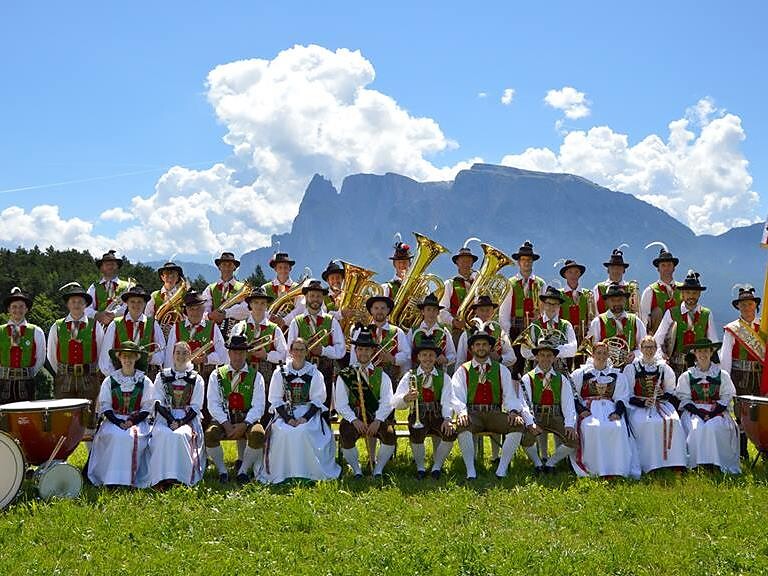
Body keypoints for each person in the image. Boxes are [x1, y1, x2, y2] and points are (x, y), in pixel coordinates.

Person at [451, 326, 536, 479]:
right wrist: (462, 412)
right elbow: (456, 395)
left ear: (490, 347)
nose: (481, 348)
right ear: (471, 348)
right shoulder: (463, 370)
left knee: (518, 424)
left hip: (494, 412)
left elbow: (510, 396)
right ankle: (471, 471)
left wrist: (513, 411)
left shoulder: (501, 370)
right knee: (462, 424)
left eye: (484, 345)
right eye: (477, 345)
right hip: (473, 413)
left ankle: (501, 469)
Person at [260, 338, 341, 484]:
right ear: (290, 352)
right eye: (295, 349)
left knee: (304, 431)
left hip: (308, 412)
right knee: (284, 431)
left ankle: (308, 473)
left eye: (301, 349)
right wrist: (288, 419)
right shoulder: (280, 372)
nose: (298, 353)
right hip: (286, 413)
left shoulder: (314, 372)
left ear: (306, 352)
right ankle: (283, 473)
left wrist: (304, 418)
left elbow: (318, 400)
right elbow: (275, 399)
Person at [87, 341, 155, 487]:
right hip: (114, 420)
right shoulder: (110, 380)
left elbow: (147, 407)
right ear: (119, 358)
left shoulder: (145, 381)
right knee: (114, 435)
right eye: (124, 356)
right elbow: (105, 406)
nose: (127, 360)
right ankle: (110, 478)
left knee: (129, 436)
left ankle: (128, 479)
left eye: (131, 356)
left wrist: (131, 422)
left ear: (137, 358)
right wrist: (118, 422)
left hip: (137, 421)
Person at [393, 335, 460, 479]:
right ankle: (420, 468)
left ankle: (437, 467)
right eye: (424, 355)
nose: (428, 358)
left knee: (450, 434)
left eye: (431, 355)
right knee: (416, 433)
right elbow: (396, 402)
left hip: (437, 414)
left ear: (436, 358)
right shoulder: (409, 376)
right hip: (418, 414)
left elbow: (448, 400)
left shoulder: (444, 377)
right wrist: (405, 398)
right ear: (418, 357)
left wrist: (448, 418)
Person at [570, 341, 639, 478]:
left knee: (617, 428)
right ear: (592, 354)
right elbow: (572, 395)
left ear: (608, 355)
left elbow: (621, 397)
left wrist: (618, 412)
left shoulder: (617, 375)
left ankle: (615, 468)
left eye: (604, 353)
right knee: (592, 428)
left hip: (609, 408)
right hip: (588, 409)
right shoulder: (580, 374)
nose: (601, 356)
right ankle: (594, 468)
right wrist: (581, 409)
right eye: (598, 353)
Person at [334, 327, 397, 478]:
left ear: (372, 351)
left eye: (367, 350)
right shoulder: (346, 374)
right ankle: (357, 470)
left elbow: (388, 402)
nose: (364, 353)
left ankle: (378, 469)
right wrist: (354, 420)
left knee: (389, 435)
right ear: (356, 351)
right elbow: (340, 404)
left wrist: (378, 420)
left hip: (375, 417)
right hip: (355, 418)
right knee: (346, 434)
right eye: (360, 349)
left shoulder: (382, 375)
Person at [205, 335, 266, 483]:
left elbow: (259, 406)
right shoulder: (217, 374)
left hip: (246, 419)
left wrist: (245, 423)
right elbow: (213, 404)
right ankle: (222, 471)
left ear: (246, 354)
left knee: (258, 434)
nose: (238, 356)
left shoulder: (256, 376)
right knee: (210, 435)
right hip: (223, 419)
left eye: (241, 352)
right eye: (234, 352)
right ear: (229, 353)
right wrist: (225, 423)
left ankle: (243, 471)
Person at [47, 283, 106, 435]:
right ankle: (64, 454)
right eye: (73, 301)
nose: (76, 304)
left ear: (86, 304)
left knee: (89, 418)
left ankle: (90, 456)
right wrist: (64, 371)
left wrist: (91, 370)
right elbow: (51, 354)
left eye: (80, 302)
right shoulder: (57, 326)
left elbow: (101, 351)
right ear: (67, 304)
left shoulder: (95, 325)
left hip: (88, 377)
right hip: (65, 378)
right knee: (64, 418)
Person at [623, 336, 686, 473]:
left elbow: (671, 391)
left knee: (674, 421)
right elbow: (627, 395)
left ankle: (674, 462)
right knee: (646, 423)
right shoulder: (632, 368)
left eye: (652, 347)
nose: (649, 350)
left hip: (661, 404)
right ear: (641, 349)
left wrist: (662, 394)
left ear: (656, 349)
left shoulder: (663, 368)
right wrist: (643, 402)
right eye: (646, 347)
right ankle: (649, 463)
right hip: (638, 406)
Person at [676, 338, 740, 474]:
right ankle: (696, 462)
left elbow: (727, 397)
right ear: (694, 353)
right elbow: (685, 399)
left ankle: (717, 461)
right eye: (699, 351)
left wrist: (712, 413)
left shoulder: (722, 374)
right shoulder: (687, 375)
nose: (703, 354)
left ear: (711, 353)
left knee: (714, 427)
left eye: (706, 351)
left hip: (716, 411)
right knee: (696, 427)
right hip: (694, 410)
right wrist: (700, 413)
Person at [149, 341, 206, 487]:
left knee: (180, 435)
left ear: (190, 355)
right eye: (178, 352)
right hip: (165, 416)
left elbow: (196, 406)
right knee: (163, 434)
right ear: (173, 355)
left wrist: (180, 422)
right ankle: (161, 477)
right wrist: (170, 420)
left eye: (185, 352)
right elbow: (158, 401)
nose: (181, 356)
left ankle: (180, 477)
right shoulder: (161, 376)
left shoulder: (196, 378)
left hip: (188, 418)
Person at [519, 338, 578, 474]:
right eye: (542, 355)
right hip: (536, 416)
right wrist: (530, 423)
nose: (545, 359)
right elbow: (524, 404)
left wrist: (569, 424)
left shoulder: (562, 379)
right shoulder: (527, 378)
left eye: (549, 355)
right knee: (526, 438)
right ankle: (538, 463)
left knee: (573, 441)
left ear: (554, 358)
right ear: (537, 357)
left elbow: (569, 404)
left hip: (555, 415)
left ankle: (551, 463)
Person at [233, 286, 288, 425]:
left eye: (263, 303)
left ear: (267, 305)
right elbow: (232, 352)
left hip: (267, 375)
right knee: (244, 412)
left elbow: (284, 356)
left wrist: (266, 355)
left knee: (265, 413)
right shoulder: (240, 327)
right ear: (250, 305)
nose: (259, 306)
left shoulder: (274, 329)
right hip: (244, 375)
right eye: (256, 302)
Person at [286, 279, 345, 407]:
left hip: (326, 371)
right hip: (301, 371)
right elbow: (289, 351)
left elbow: (341, 350)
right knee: (301, 406)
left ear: (323, 298)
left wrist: (323, 350)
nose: (315, 299)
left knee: (323, 408)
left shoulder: (332, 321)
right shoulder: (296, 321)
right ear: (306, 297)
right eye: (312, 296)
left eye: (318, 296)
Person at [721, 287, 763, 458]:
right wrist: (726, 380)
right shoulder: (732, 329)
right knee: (742, 414)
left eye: (750, 304)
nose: (747, 307)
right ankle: (742, 452)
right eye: (743, 304)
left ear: (755, 306)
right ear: (738, 307)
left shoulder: (764, 327)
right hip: (739, 376)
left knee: (760, 413)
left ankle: (763, 448)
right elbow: (725, 358)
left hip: (760, 376)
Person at [653, 270, 718, 376]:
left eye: (694, 293)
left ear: (699, 294)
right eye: (688, 292)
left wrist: (714, 369)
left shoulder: (706, 314)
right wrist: (662, 358)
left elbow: (713, 342)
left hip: (700, 368)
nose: (691, 296)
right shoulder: (671, 313)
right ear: (682, 293)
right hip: (674, 366)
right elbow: (658, 340)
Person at [99, 285, 165, 381]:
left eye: (140, 302)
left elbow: (162, 352)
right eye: (132, 301)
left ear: (144, 304)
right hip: (120, 376)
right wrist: (115, 378)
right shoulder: (115, 324)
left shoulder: (153, 324)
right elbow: (105, 357)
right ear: (127, 304)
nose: (136, 305)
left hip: (147, 377)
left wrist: (151, 358)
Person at [499, 241, 545, 377]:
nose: (526, 263)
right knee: (516, 366)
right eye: (523, 260)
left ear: (533, 262)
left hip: (534, 329)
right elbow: (504, 311)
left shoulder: (540, 283)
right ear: (519, 262)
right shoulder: (510, 283)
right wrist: (506, 335)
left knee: (535, 366)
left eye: (529, 260)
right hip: (515, 329)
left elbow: (544, 310)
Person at [349, 295, 411, 385]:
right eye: (376, 308)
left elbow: (406, 354)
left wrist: (393, 359)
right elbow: (353, 357)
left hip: (390, 379)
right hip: (365, 378)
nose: (379, 311)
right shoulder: (361, 330)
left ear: (388, 310)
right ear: (371, 310)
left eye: (383, 308)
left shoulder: (397, 331)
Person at [0, 287, 46, 402]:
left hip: (27, 383)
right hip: (3, 383)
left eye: (21, 306)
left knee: (25, 418)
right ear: (9, 310)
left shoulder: (36, 331)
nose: (18, 310)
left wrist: (28, 373)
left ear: (26, 309)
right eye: (14, 307)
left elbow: (40, 357)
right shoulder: (0, 331)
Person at [588, 282, 647, 367]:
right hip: (605, 368)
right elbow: (593, 349)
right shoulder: (597, 321)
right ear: (607, 302)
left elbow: (644, 346)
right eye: (613, 300)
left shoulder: (636, 321)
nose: (617, 303)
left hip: (631, 366)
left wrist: (634, 355)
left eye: (620, 300)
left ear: (625, 300)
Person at [455, 295, 515, 367]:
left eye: (488, 310)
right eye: (481, 310)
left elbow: (512, 357)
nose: (485, 313)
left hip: (494, 375)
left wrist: (500, 359)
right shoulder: (466, 334)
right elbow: (460, 362)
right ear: (475, 311)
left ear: (493, 311)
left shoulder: (500, 332)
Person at [439, 241, 479, 339]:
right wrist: (453, 321)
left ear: (472, 263)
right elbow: (442, 311)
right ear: (457, 263)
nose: (466, 263)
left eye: (469, 261)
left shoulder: (479, 283)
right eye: (463, 261)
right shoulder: (450, 284)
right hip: (458, 331)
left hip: (478, 330)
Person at [558, 259, 594, 364]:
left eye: (576, 272)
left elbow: (592, 316)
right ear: (565, 275)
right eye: (570, 272)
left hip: (583, 336)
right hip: (565, 336)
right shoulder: (559, 294)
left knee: (581, 364)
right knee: (566, 364)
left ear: (580, 274)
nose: (573, 275)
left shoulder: (587, 294)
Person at [639, 245, 682, 335]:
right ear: (658, 268)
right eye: (663, 265)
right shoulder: (650, 291)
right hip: (657, 335)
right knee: (657, 311)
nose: (666, 268)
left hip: (679, 333)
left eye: (669, 265)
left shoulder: (683, 289)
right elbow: (644, 318)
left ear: (674, 268)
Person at [408, 293, 456, 371]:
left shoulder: (444, 331)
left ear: (438, 313)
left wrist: (446, 359)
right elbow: (407, 354)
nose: (431, 313)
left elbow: (452, 354)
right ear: (423, 312)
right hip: (417, 373)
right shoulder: (413, 331)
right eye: (428, 309)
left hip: (439, 373)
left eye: (434, 310)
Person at [203, 252, 249, 334]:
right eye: (224, 264)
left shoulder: (243, 288)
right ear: (219, 267)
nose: (227, 267)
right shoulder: (210, 288)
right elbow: (203, 310)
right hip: (213, 332)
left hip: (237, 333)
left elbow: (247, 310)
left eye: (230, 265)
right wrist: (209, 315)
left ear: (234, 267)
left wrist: (226, 313)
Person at [86, 250, 130, 325]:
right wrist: (97, 315)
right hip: (98, 328)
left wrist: (113, 314)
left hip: (121, 328)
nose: (110, 267)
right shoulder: (93, 287)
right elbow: (86, 308)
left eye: (112, 264)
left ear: (117, 267)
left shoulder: (127, 286)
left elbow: (130, 307)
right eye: (106, 264)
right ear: (101, 268)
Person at [146, 261, 186, 337]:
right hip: (158, 334)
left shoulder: (184, 297)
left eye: (173, 274)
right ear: (162, 277)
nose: (170, 276)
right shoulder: (154, 296)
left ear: (178, 277)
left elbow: (187, 318)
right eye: (167, 274)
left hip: (178, 334)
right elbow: (148, 318)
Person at [262, 251, 302, 328]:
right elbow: (260, 307)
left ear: (290, 269)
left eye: (286, 267)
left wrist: (285, 320)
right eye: (280, 267)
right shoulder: (265, 288)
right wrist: (270, 318)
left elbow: (300, 308)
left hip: (290, 328)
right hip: (269, 327)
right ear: (275, 269)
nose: (283, 270)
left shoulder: (297, 287)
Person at [592, 248, 634, 315]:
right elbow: (594, 311)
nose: (616, 271)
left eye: (619, 268)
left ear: (624, 270)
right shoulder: (598, 288)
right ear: (608, 270)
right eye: (613, 268)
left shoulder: (632, 288)